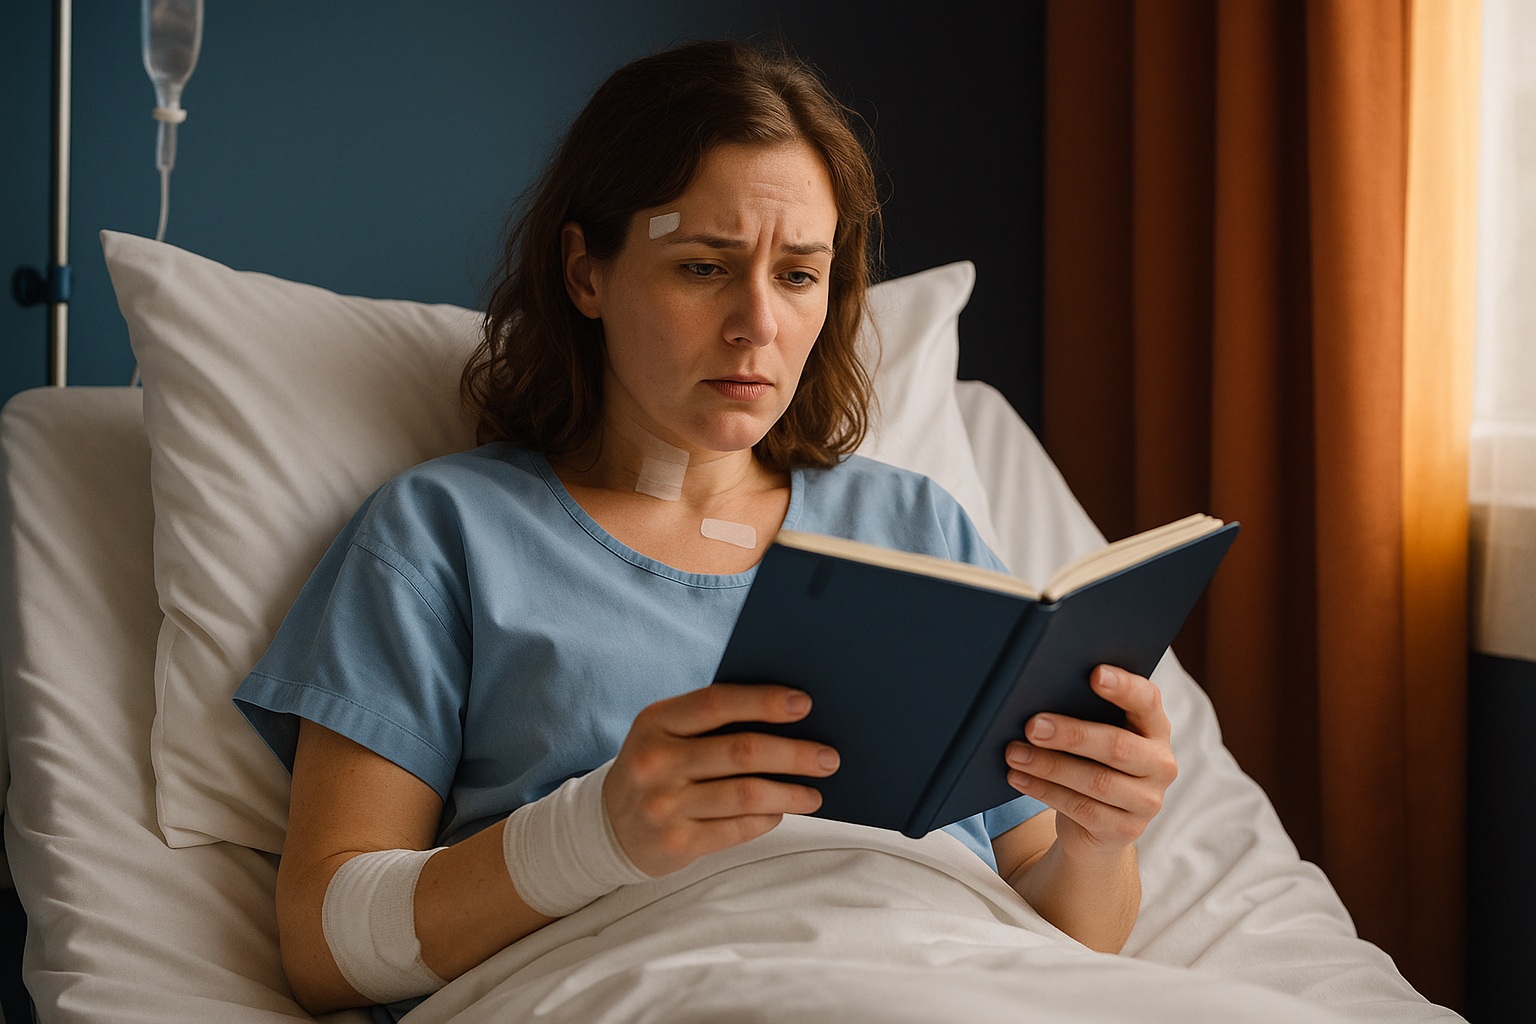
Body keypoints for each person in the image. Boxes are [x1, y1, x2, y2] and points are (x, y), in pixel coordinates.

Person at [233, 39, 1178, 1020]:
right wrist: (594, 833)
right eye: (701, 265)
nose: (757, 324)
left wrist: (1100, 838)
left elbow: (1064, 934)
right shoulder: (446, 533)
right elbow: (327, 945)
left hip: (969, 974)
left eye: (800, 275)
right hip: (663, 979)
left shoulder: (913, 526)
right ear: (586, 272)